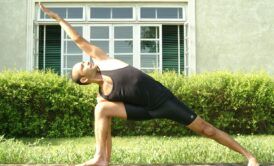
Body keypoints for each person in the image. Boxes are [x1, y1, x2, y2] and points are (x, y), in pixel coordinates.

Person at [39, 3, 259, 166]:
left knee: (206, 129)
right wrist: (107, 154)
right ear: (84, 79)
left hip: (164, 101)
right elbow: (106, 131)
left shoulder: (104, 60)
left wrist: (58, 19)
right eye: (81, 65)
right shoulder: (104, 95)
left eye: (83, 60)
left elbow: (79, 40)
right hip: (146, 111)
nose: (85, 61)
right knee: (101, 109)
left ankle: (250, 157)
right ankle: (101, 159)